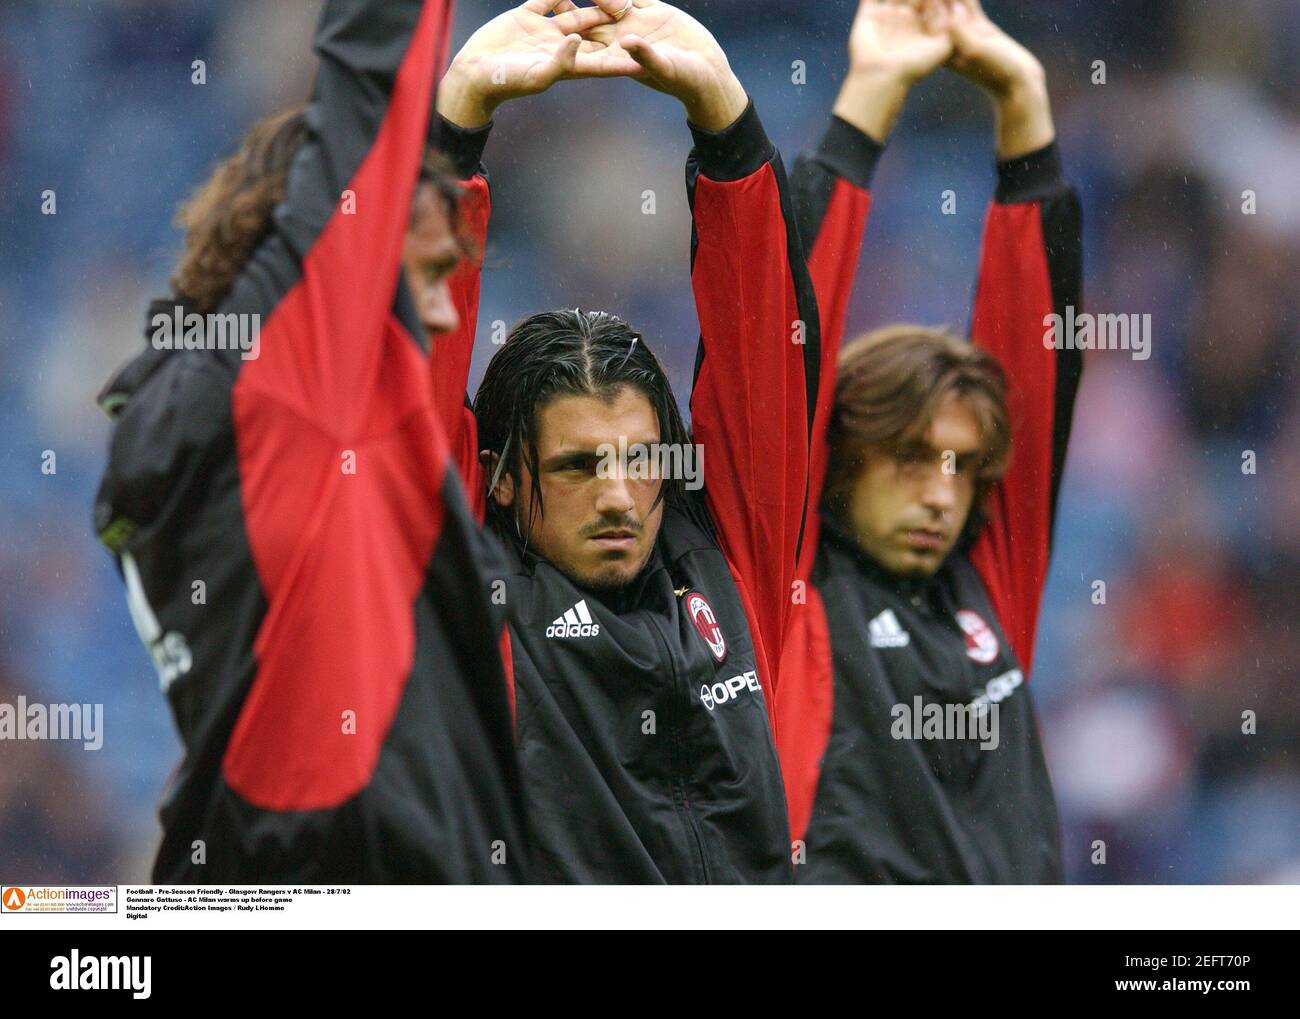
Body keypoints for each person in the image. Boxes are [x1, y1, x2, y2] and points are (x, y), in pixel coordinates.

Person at [91, 0, 627, 882]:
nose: (451, 307)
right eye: (422, 272)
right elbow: (360, 80)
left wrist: (457, 125)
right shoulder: (269, 387)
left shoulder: (202, 419)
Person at [432, 0, 822, 882]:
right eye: (575, 465)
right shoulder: (473, 609)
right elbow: (402, 406)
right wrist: (454, 129)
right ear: (495, 478)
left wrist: (725, 120)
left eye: (639, 461)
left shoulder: (734, 565)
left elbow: (766, 359)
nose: (617, 494)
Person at [775, 0, 1084, 883]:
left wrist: (1022, 99)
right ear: (838, 458)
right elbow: (779, 343)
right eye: (911, 459)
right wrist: (871, 88)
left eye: (960, 467)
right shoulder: (782, 591)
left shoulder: (990, 570)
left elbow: (1041, 362)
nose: (943, 495)